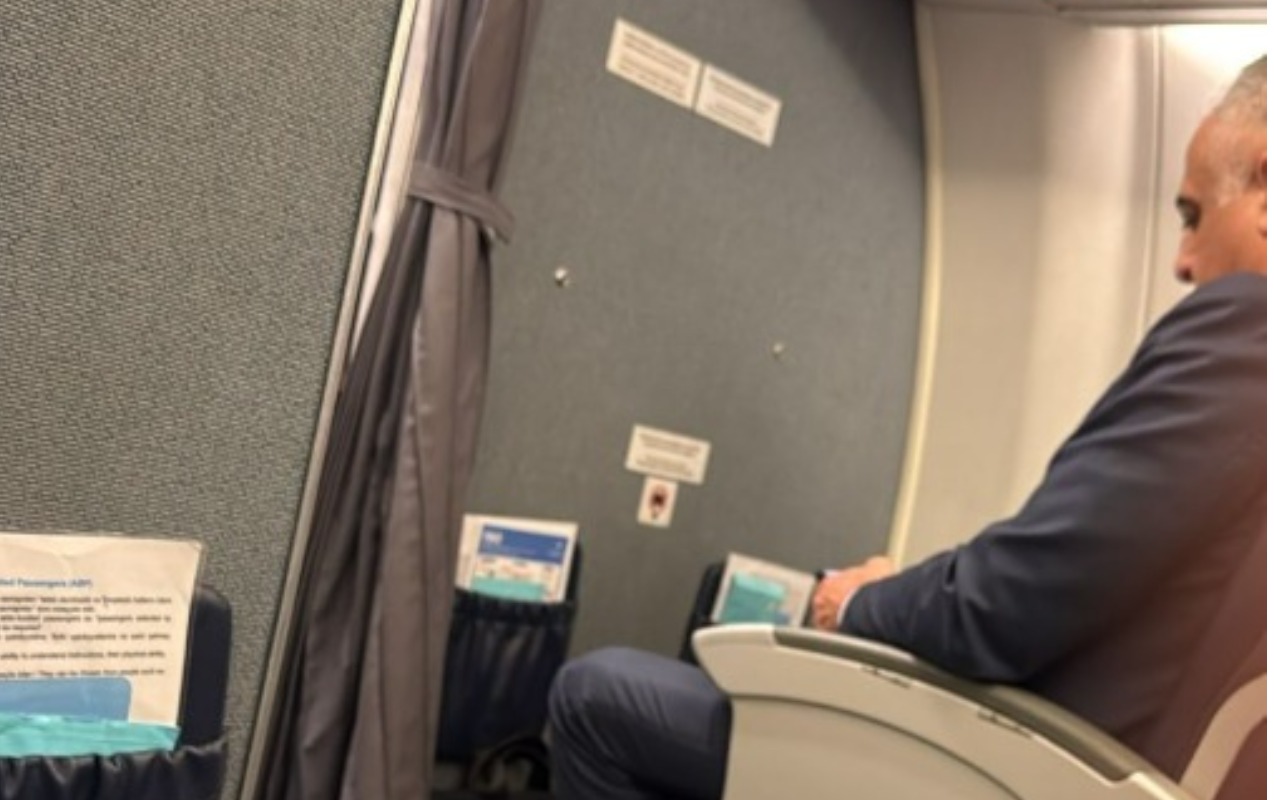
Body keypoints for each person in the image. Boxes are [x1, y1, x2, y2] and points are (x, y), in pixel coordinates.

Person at [547, 56, 1266, 800]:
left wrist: (860, 602)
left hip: (1010, 763)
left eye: (1192, 215)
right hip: (1084, 761)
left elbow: (1002, 606)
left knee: (598, 698)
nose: (1182, 262)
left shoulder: (1249, 331)